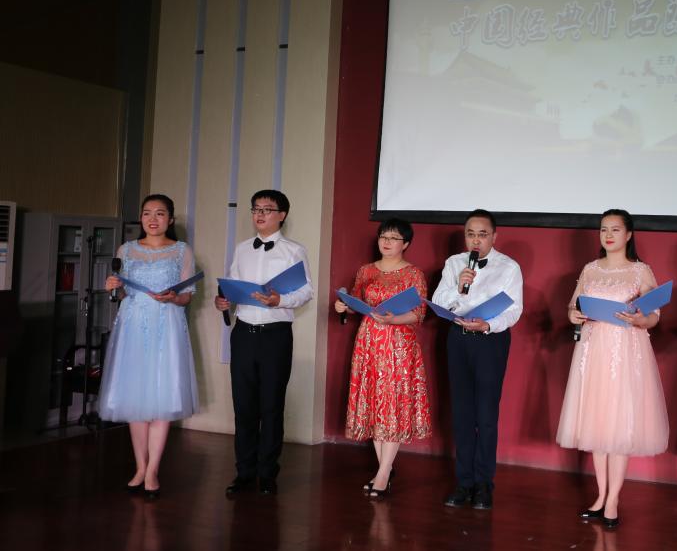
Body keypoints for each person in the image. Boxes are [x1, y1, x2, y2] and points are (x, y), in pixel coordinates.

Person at [556, 209, 669, 530]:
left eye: (615, 229)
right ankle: (600, 495)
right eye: (604, 229)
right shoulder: (590, 269)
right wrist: (573, 315)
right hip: (593, 350)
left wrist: (641, 319)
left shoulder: (640, 270)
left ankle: (613, 499)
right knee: (597, 423)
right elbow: (574, 305)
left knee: (620, 425)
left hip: (625, 351)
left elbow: (654, 315)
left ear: (629, 234)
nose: (608, 235)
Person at [99, 194, 199, 500]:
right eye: (147, 213)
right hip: (132, 326)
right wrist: (112, 287)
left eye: (160, 213)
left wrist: (173, 297)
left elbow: (188, 295)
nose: (152, 219)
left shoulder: (182, 250)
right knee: (135, 398)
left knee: (162, 396)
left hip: (167, 326)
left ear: (170, 219)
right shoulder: (126, 249)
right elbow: (120, 291)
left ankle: (153, 469)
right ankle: (140, 467)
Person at [214, 189, 313, 496]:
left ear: (282, 215)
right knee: (244, 407)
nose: (259, 214)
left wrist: (278, 300)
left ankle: (267, 474)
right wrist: (223, 301)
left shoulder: (294, 250)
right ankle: (244, 473)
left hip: (275, 336)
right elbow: (232, 285)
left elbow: (306, 292)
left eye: (266, 209)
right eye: (255, 209)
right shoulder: (242, 248)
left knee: (271, 406)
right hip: (243, 333)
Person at [431, 209, 523, 510]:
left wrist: (488, 325)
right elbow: (439, 301)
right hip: (458, 339)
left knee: (485, 415)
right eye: (471, 234)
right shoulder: (454, 263)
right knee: (461, 413)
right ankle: (464, 482)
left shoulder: (509, 267)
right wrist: (458, 288)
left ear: (494, 236)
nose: (476, 240)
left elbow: (513, 311)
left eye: (482, 234)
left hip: (490, 341)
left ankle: (484, 484)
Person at [334, 217, 431, 499]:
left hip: (398, 344)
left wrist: (393, 319)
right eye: (383, 236)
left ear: (406, 244)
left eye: (393, 238)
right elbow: (355, 303)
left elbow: (419, 313)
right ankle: (384, 470)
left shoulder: (414, 274)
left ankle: (384, 473)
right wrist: (343, 306)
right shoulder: (366, 270)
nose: (386, 242)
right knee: (374, 401)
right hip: (368, 342)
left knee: (392, 403)